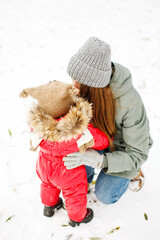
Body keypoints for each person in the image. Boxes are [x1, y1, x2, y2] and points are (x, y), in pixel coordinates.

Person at [63, 37, 153, 204]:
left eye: (77, 81)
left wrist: (100, 161)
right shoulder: (83, 91)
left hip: (124, 150)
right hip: (97, 141)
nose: (73, 84)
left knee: (105, 195)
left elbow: (137, 153)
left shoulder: (130, 103)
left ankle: (135, 173)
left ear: (92, 85)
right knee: (74, 166)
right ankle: (86, 179)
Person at [20, 80, 112, 227]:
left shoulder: (37, 128)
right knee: (75, 194)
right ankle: (77, 217)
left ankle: (49, 206)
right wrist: (109, 139)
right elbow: (101, 141)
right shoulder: (78, 131)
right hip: (68, 171)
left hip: (44, 166)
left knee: (47, 185)